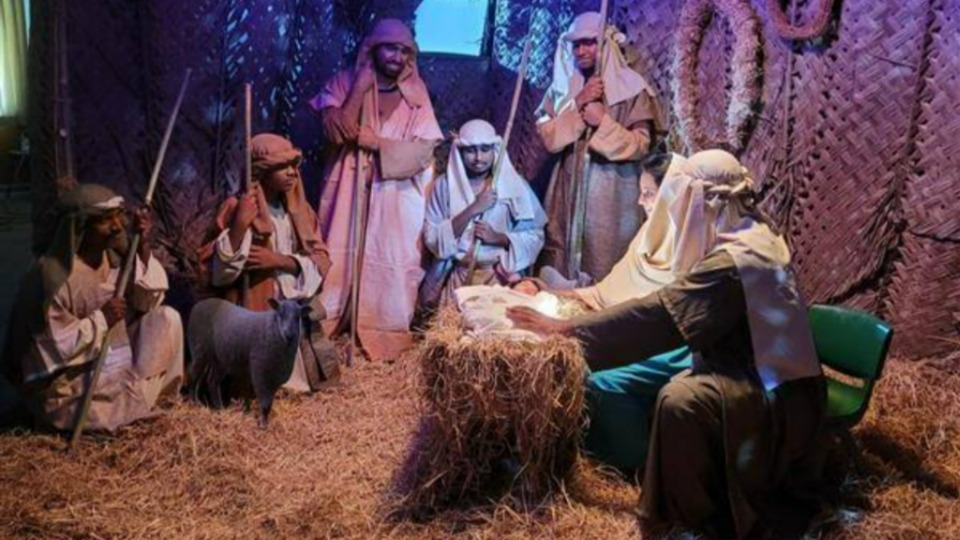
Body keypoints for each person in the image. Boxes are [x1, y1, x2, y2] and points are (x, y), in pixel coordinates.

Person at [509, 150, 826, 539]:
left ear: (702, 203)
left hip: (773, 386)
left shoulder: (732, 262)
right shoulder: (752, 230)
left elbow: (660, 317)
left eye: (681, 201)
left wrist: (567, 330)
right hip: (757, 365)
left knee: (680, 400)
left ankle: (692, 519)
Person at [311, 19, 442, 360]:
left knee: (390, 262)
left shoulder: (417, 95)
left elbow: (423, 151)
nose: (397, 57)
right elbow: (335, 132)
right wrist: (359, 87)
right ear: (373, 48)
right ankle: (333, 323)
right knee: (339, 255)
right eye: (390, 48)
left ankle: (380, 330)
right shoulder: (343, 83)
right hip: (347, 190)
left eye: (404, 51)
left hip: (394, 195)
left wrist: (377, 144)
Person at [3, 184, 183, 433]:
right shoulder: (51, 277)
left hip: (120, 366)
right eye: (105, 220)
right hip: (74, 386)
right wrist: (102, 320)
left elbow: (147, 301)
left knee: (167, 318)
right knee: (101, 417)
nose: (117, 226)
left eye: (118, 216)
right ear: (79, 227)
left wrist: (142, 244)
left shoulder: (114, 258)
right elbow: (51, 347)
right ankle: (126, 413)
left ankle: (149, 406)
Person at [202, 133, 338, 391]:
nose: (292, 173)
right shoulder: (236, 207)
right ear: (260, 171)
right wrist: (240, 226)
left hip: (291, 308)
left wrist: (281, 261)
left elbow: (321, 261)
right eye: (282, 166)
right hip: (254, 305)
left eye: (294, 165)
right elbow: (217, 274)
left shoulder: (301, 213)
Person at [536, 11, 663, 285]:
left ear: (605, 43)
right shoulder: (561, 89)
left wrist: (603, 122)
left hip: (612, 193)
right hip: (566, 190)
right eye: (576, 44)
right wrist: (578, 103)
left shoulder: (631, 88)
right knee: (561, 260)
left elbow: (641, 145)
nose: (581, 51)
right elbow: (548, 137)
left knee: (605, 263)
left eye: (589, 43)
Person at [420, 119, 546, 311]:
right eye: (471, 150)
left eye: (485, 149)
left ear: (495, 150)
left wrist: (499, 238)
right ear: (460, 151)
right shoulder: (444, 187)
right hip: (459, 280)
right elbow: (432, 238)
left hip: (499, 281)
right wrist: (473, 209)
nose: (479, 158)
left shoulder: (515, 186)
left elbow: (535, 235)